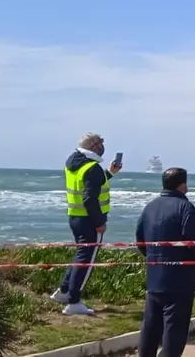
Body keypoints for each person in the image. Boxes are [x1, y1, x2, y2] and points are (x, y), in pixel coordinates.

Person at [135, 167, 195, 357]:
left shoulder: (149, 207)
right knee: (174, 329)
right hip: (180, 277)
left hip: (155, 275)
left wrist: (153, 258)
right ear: (183, 185)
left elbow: (140, 241)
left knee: (150, 325)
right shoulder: (185, 208)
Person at [50, 132, 121, 315]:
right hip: (89, 220)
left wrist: (110, 173)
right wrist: (99, 223)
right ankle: (74, 302)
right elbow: (90, 198)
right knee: (86, 261)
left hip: (75, 216)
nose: (103, 146)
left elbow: (90, 183)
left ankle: (64, 291)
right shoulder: (92, 167)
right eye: (100, 143)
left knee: (80, 256)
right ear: (93, 147)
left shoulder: (74, 162)